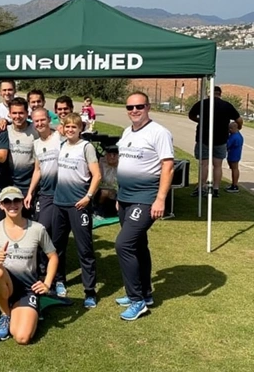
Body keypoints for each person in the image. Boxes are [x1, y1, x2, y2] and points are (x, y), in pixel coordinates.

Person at [115, 91, 174, 320]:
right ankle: (145, 292)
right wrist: (120, 196)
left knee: (123, 244)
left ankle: (137, 301)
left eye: (139, 106)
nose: (134, 111)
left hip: (146, 197)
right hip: (126, 197)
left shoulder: (159, 132)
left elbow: (167, 167)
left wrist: (160, 198)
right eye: (130, 107)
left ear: (148, 107)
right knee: (138, 245)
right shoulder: (127, 131)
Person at [0, 186, 58, 343]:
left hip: (28, 289)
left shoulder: (37, 229)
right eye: (7, 202)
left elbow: (53, 257)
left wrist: (47, 283)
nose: (12, 205)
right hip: (6, 284)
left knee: (22, 337)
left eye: (16, 200)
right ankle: (5, 314)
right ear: (1, 205)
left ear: (22, 202)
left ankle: (20, 308)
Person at [52, 113, 101, 307]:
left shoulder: (86, 147)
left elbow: (97, 176)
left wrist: (88, 197)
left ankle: (89, 291)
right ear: (63, 128)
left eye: (74, 127)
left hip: (78, 205)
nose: (70, 129)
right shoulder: (62, 145)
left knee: (85, 249)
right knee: (57, 247)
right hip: (59, 203)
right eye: (67, 126)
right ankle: (59, 281)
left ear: (80, 128)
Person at [189, 86, 243, 197]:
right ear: (220, 93)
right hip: (221, 138)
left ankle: (202, 186)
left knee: (204, 164)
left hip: (204, 137)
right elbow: (239, 119)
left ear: (210, 94)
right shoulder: (227, 105)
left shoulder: (202, 103)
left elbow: (191, 115)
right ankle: (216, 188)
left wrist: (200, 121)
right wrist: (239, 127)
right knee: (217, 165)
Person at [27, 108, 61, 234]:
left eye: (42, 120)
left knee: (57, 229)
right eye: (36, 121)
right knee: (43, 227)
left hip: (61, 190)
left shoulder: (59, 136)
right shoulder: (36, 144)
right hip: (46, 192)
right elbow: (37, 170)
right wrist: (30, 192)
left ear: (49, 120)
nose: (40, 123)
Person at [6, 98, 38, 218]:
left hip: (28, 184)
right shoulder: (4, 130)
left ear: (27, 113)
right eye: (14, 113)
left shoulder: (35, 131)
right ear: (9, 114)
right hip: (9, 183)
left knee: (28, 221)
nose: (18, 116)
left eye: (21, 113)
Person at [97, 146, 119, 215]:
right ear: (106, 156)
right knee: (105, 192)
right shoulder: (101, 163)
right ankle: (98, 210)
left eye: (114, 155)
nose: (112, 157)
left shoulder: (122, 164)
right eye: (110, 155)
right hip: (103, 190)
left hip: (117, 191)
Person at [226, 121, 244, 193]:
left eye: (230, 128)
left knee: (234, 169)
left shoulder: (235, 137)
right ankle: (234, 184)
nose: (229, 130)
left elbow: (227, 145)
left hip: (234, 155)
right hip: (234, 154)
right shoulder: (237, 135)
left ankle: (235, 185)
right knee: (234, 168)